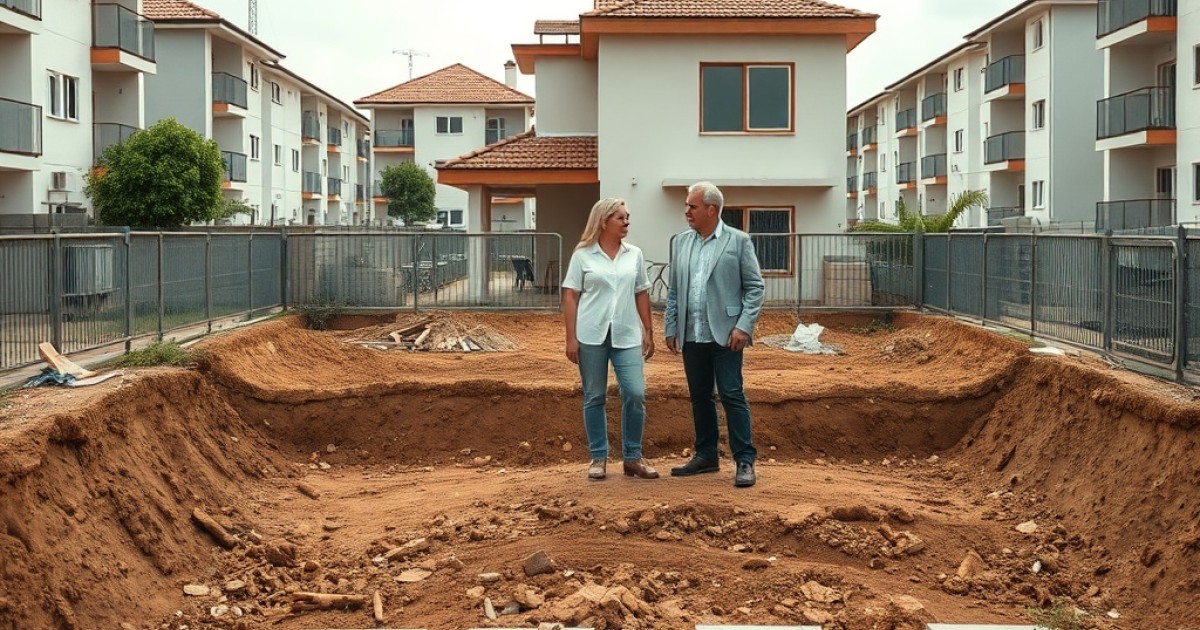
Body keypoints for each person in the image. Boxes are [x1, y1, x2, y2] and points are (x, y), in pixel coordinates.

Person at [664, 181, 765, 487]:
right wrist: (671, 326)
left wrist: (743, 327)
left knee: (732, 395)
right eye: (686, 206)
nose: (686, 212)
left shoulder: (738, 241)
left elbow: (755, 288)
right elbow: (675, 290)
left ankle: (745, 460)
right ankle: (706, 456)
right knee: (700, 397)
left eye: (692, 207)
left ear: (711, 209)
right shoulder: (680, 242)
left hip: (727, 335)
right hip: (692, 333)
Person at [562, 198, 659, 481]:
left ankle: (633, 457)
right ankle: (598, 457)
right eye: (621, 218)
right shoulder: (583, 255)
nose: (627, 223)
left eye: (628, 217)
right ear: (604, 221)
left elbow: (641, 291)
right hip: (591, 334)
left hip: (627, 334)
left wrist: (648, 330)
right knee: (594, 396)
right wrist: (571, 338)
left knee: (635, 393)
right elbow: (570, 295)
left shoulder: (635, 255)